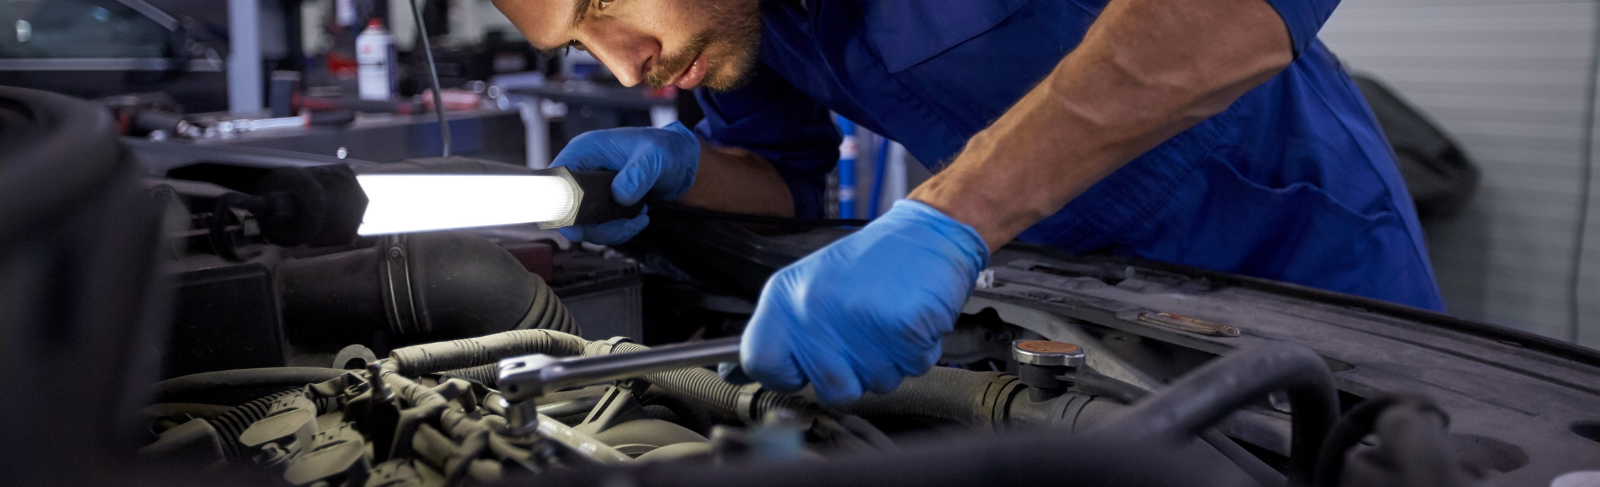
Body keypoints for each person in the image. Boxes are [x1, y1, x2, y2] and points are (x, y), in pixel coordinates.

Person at [491, 0, 1445, 404]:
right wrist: (680, 169)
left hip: (1303, 273)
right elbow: (783, 178)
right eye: (579, 45)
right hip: (1069, 313)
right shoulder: (742, 17)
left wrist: (953, 214)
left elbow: (1233, 16)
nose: (627, 63)